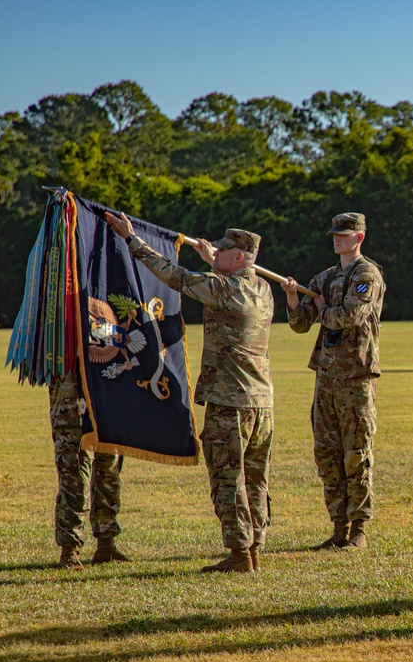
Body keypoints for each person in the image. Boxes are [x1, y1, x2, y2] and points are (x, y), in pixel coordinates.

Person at [105, 212, 274, 574]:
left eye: (226, 250)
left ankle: (240, 554)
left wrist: (134, 241)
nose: (219, 253)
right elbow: (223, 273)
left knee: (229, 481)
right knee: (255, 480)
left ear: (240, 257)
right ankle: (255, 547)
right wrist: (213, 259)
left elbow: (175, 277)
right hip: (262, 403)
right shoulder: (262, 289)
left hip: (230, 402)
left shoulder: (224, 289)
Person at [282, 212, 385, 551]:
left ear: (360, 238)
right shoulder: (324, 277)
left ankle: (359, 530)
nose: (337, 238)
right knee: (327, 455)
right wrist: (295, 299)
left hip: (355, 376)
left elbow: (351, 316)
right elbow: (301, 324)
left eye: (344, 234)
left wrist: (324, 309)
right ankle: (338, 528)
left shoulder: (366, 274)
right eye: (335, 234)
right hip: (326, 376)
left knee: (356, 453)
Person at [51, 370, 129, 570]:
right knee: (74, 475)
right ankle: (70, 549)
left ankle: (106, 542)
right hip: (72, 403)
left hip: (108, 393)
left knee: (109, 470)